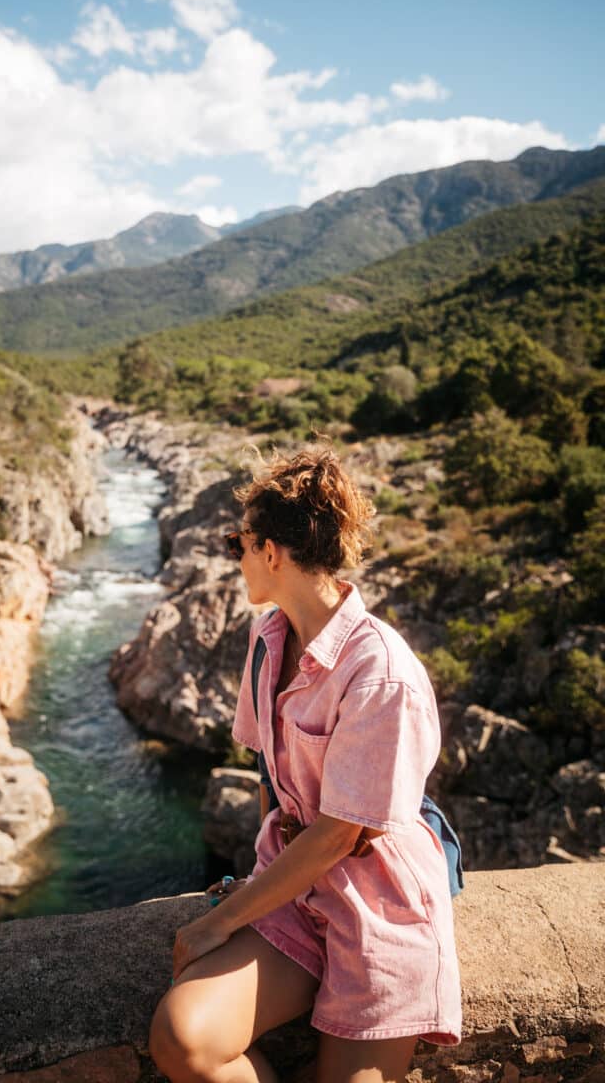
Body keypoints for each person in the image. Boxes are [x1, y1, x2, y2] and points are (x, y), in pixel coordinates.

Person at [149, 444, 462, 1083]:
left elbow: (340, 833)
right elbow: (271, 774)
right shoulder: (269, 641)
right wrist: (258, 880)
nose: (234, 557)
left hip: (378, 908)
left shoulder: (380, 673)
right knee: (183, 1039)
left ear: (271, 552)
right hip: (295, 891)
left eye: (239, 542)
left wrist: (221, 922)